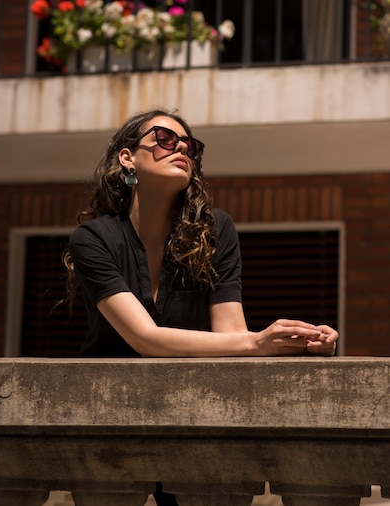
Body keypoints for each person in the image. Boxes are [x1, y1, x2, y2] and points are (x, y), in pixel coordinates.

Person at [65, 107, 338, 506]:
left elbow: (231, 336)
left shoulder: (216, 230)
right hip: (111, 416)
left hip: (194, 412)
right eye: (163, 139)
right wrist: (258, 343)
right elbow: (146, 339)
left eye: (189, 145)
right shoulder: (92, 240)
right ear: (128, 158)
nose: (181, 149)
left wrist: (300, 343)